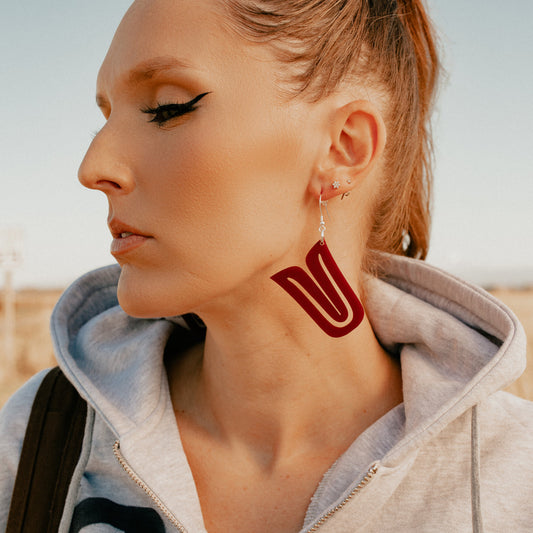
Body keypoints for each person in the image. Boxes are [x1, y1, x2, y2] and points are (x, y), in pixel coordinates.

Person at [1, 0, 532, 531]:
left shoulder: (516, 478)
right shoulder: (38, 442)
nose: (93, 167)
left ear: (343, 149)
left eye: (168, 107)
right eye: (107, 115)